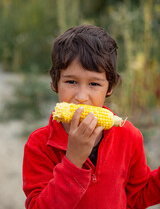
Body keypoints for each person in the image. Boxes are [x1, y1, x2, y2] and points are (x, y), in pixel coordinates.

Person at [22, 25, 160, 209]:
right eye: (71, 82)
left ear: (109, 87)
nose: (81, 96)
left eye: (94, 84)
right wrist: (73, 161)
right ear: (55, 82)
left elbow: (138, 196)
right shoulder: (39, 145)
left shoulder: (128, 136)